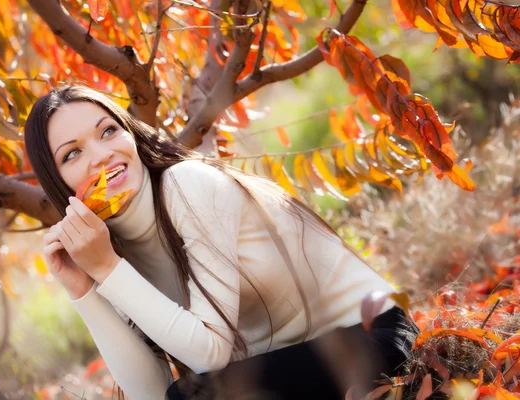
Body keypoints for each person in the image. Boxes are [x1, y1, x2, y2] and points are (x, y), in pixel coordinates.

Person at [24, 85, 419, 400]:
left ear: (130, 133)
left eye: (108, 130)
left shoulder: (187, 184)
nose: (102, 155)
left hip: (369, 336)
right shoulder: (105, 246)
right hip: (289, 365)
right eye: (72, 153)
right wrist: (85, 289)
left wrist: (108, 270)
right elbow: (152, 393)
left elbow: (209, 355)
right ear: (58, 182)